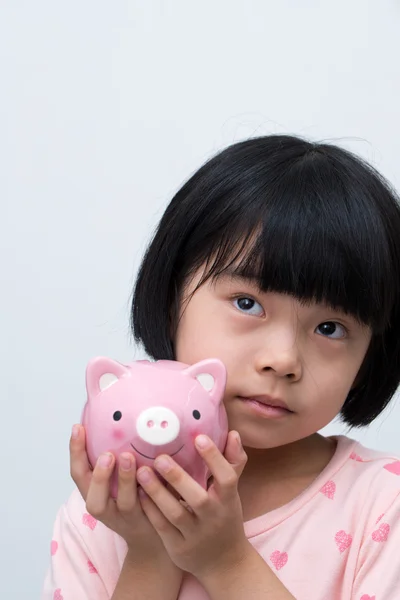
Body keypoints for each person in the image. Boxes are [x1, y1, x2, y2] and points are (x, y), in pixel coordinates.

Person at [42, 135, 400, 600]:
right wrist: (151, 556)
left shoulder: (383, 508)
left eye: (330, 328)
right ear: (173, 296)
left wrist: (226, 562)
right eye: (248, 303)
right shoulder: (107, 511)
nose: (283, 360)